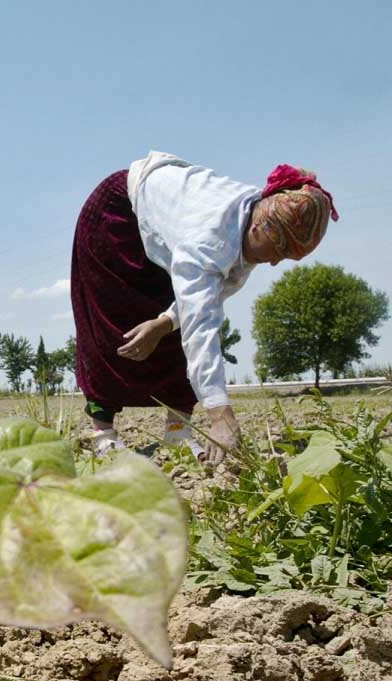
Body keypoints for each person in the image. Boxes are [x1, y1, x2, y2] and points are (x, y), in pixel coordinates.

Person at [69, 152, 337, 463]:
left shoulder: (253, 220)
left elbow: (210, 296)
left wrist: (164, 322)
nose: (275, 262)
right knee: (111, 322)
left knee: (166, 330)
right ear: (259, 228)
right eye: (278, 251)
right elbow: (201, 325)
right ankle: (102, 432)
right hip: (115, 217)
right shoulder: (210, 238)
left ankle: (177, 430)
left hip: (169, 233)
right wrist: (220, 415)